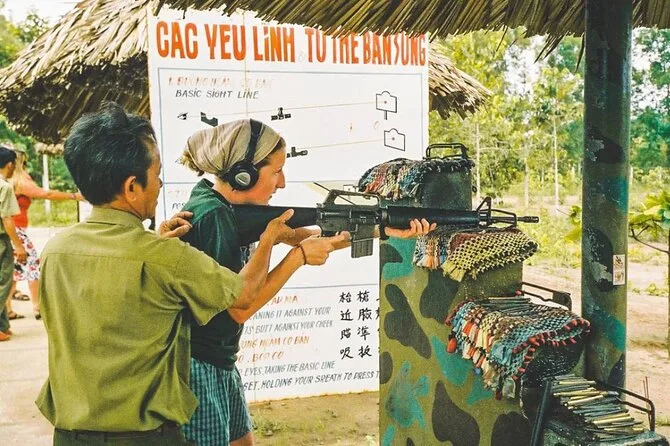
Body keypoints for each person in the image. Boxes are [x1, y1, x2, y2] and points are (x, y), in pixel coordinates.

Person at [36, 102, 297, 446]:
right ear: (132, 187)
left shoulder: (55, 251)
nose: (160, 184)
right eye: (156, 174)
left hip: (71, 435)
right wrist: (273, 241)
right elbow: (244, 295)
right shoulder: (165, 257)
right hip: (144, 436)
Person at [178, 118, 434, 446]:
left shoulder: (221, 208)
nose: (282, 183)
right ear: (244, 175)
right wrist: (296, 258)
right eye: (276, 172)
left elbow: (306, 235)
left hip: (219, 359)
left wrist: (381, 229)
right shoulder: (214, 216)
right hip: (199, 365)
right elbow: (239, 308)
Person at [4, 144, 83, 321]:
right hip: (16, 230)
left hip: (16, 229)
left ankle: (8, 309)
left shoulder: (13, 181)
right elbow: (45, 194)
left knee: (13, 270)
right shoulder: (19, 182)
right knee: (32, 265)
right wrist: (74, 196)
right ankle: (37, 306)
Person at [0, 146, 26, 342]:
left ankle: (3, 326)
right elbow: (7, 218)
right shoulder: (5, 187)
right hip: (1, 241)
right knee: (3, 282)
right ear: (10, 165)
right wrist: (19, 246)